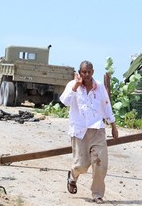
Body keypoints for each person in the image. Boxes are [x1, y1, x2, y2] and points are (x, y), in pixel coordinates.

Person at [59, 60, 118, 204]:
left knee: (100, 163)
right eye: (83, 72)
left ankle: (97, 194)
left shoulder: (99, 87)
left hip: (97, 129)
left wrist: (113, 125)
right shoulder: (72, 86)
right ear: (79, 72)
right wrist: (76, 85)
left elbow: (106, 106)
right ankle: (73, 176)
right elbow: (65, 101)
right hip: (80, 131)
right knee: (81, 165)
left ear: (93, 72)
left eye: (89, 72)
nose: (86, 74)